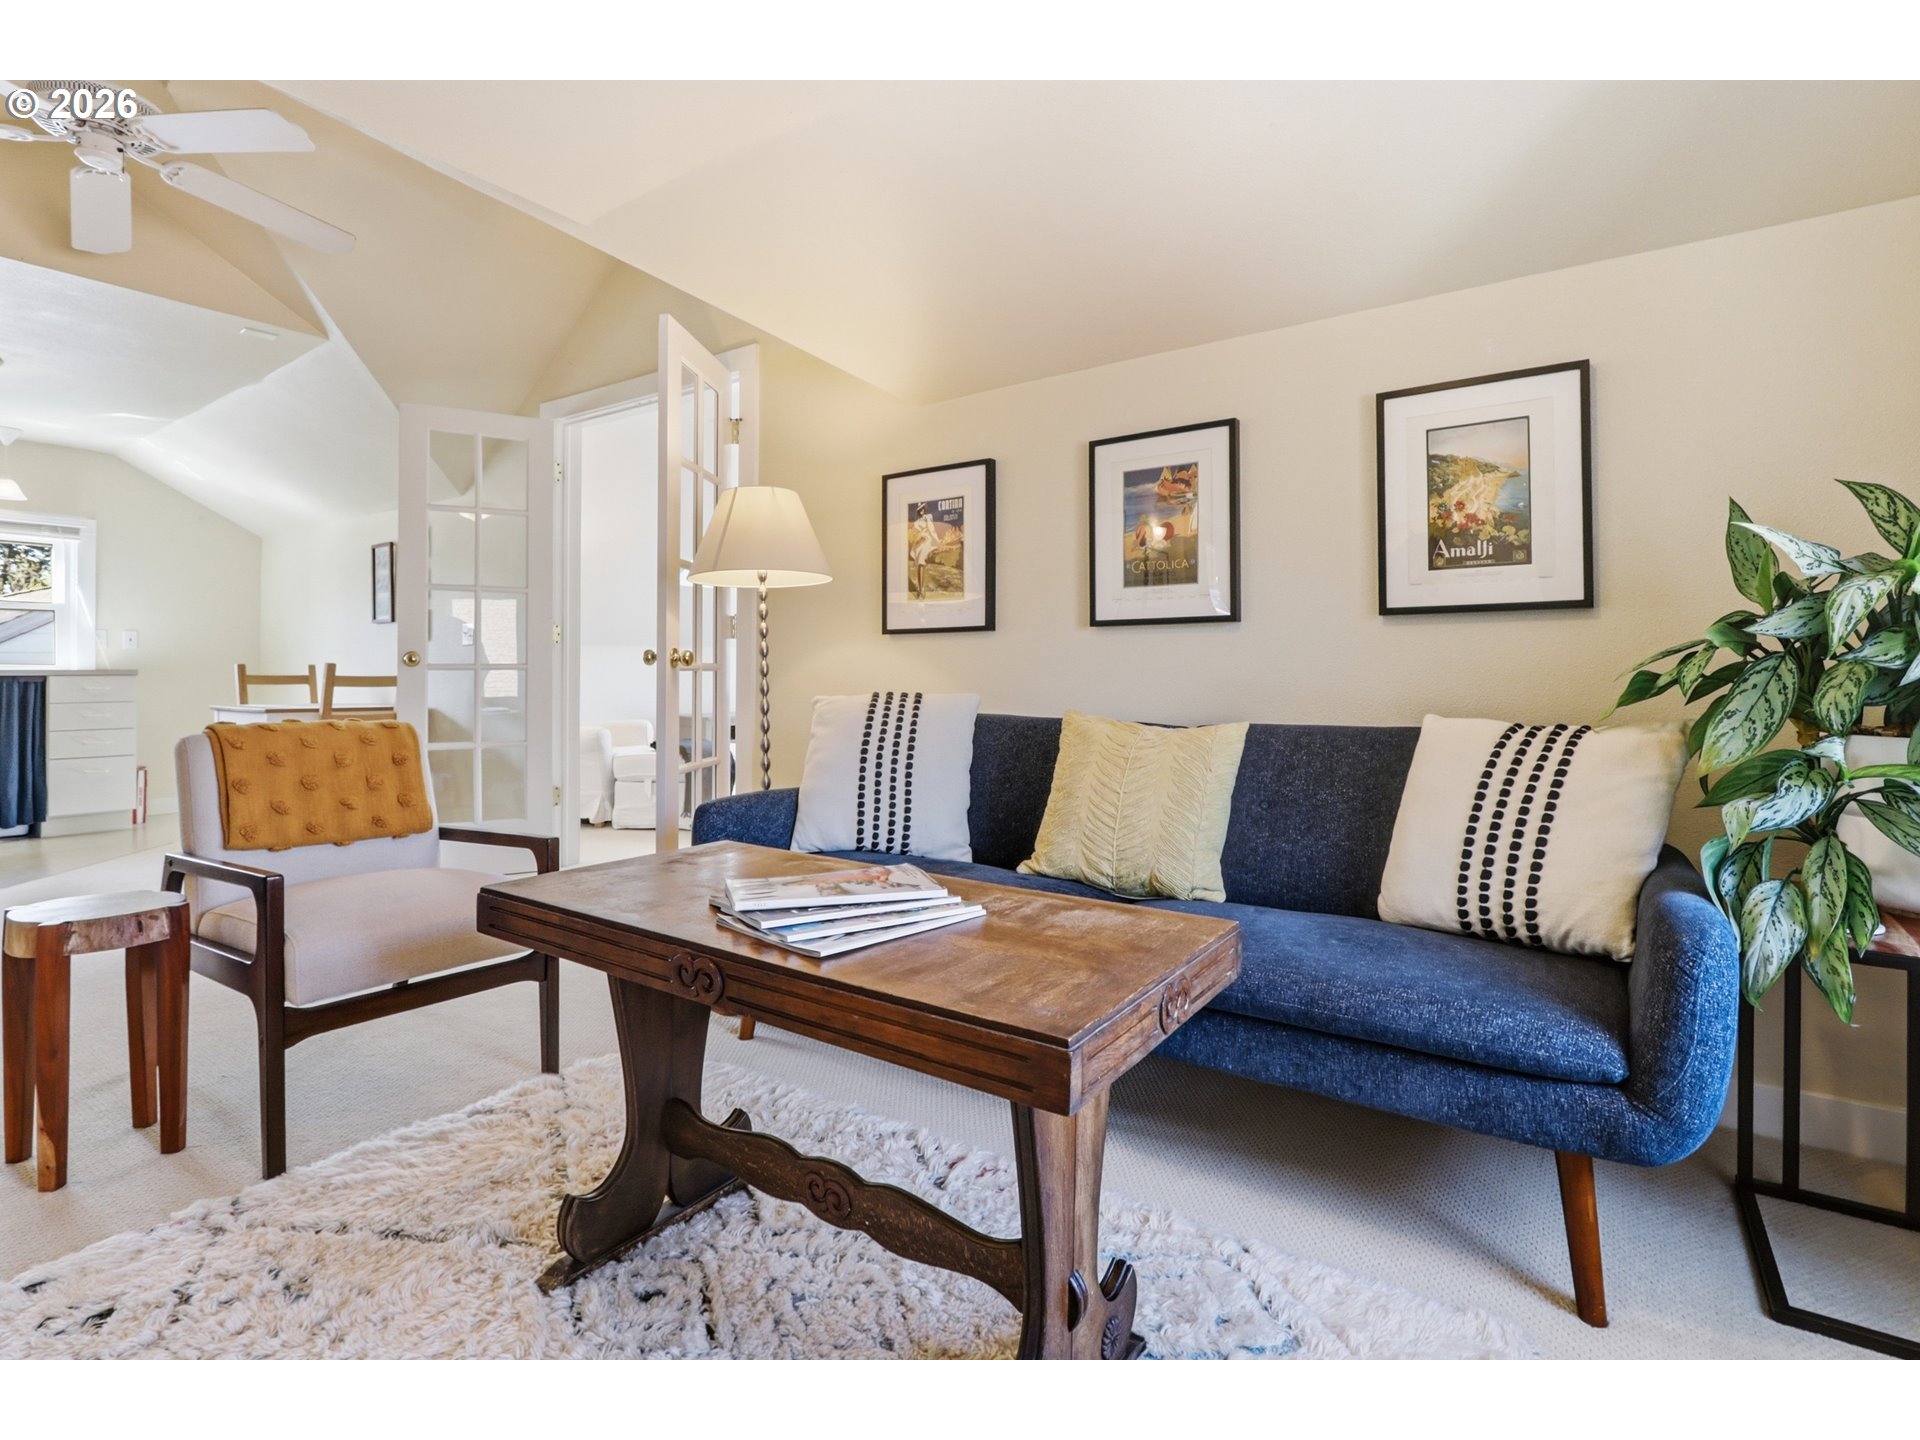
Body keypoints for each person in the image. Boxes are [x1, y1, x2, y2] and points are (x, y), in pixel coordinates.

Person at [908, 502, 942, 598]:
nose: (922, 511)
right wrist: (919, 537)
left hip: (927, 541)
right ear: (919, 511)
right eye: (920, 509)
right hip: (919, 544)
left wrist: (936, 541)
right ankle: (919, 588)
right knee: (919, 565)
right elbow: (914, 535)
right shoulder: (916, 523)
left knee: (921, 563)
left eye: (923, 509)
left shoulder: (928, 518)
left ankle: (922, 589)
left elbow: (932, 530)